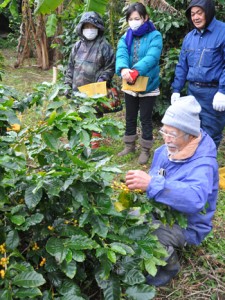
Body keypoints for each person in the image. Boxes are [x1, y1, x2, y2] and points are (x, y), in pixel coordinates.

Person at [125, 95, 218, 286]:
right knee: (126, 219)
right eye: (164, 132)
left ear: (191, 135)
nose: (166, 139)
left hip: (188, 224)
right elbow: (155, 177)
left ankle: (167, 268)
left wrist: (152, 184)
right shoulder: (163, 152)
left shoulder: (204, 165)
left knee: (149, 235)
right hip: (162, 211)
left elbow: (195, 199)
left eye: (172, 134)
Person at [171, 0, 225, 149]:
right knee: (192, 133)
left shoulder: (222, 32)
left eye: (199, 13)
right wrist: (176, 89)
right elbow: (182, 65)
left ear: (208, 12)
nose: (195, 17)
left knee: (210, 135)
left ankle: (207, 169)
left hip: (213, 94)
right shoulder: (189, 38)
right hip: (192, 92)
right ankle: (194, 168)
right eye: (192, 14)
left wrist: (222, 91)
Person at [116, 2, 163, 164]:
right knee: (129, 116)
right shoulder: (126, 36)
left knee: (145, 118)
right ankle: (129, 145)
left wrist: (136, 70)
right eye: (130, 19)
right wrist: (123, 69)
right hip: (129, 84)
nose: (133, 21)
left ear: (145, 18)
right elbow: (121, 53)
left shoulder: (155, 36)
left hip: (148, 85)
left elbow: (152, 56)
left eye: (137, 18)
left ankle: (145, 149)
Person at [64, 12, 115, 148]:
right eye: (86, 26)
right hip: (77, 91)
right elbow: (70, 67)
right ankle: (77, 142)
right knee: (77, 116)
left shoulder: (104, 46)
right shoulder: (77, 46)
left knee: (94, 116)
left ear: (98, 28)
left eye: (92, 26)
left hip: (95, 91)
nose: (90, 29)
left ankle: (94, 144)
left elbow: (110, 67)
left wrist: (103, 79)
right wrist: (67, 85)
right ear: (81, 28)